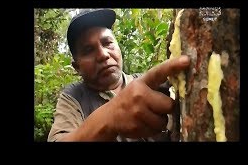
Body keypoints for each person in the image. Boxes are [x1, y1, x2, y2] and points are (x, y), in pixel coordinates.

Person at [47, 8, 190, 142]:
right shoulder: (73, 97)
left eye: (107, 43)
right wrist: (111, 117)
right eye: (88, 50)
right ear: (77, 67)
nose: (103, 55)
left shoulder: (150, 86)